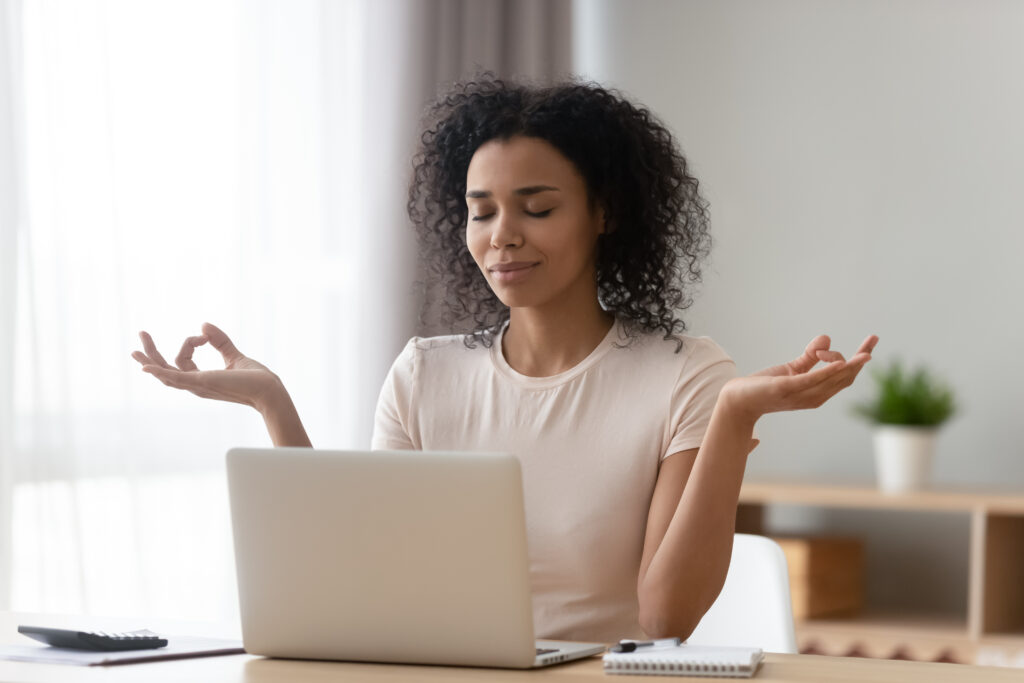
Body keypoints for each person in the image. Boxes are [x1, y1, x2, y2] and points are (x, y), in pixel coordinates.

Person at [132, 74, 878, 643]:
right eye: (481, 211)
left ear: (604, 212)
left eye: (538, 207)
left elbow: (663, 617)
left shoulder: (687, 374)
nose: (502, 235)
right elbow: (361, 584)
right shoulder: (425, 374)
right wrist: (275, 404)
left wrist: (734, 415)